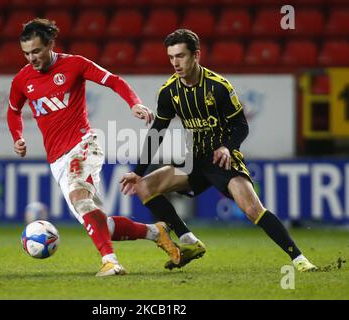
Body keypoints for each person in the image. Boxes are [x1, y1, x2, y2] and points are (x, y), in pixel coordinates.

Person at [120, 29, 317, 272]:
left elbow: (241, 126)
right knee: (144, 185)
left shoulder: (219, 87)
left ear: (196, 55)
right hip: (193, 161)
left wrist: (227, 147)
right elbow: (157, 132)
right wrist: (138, 172)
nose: (175, 63)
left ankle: (299, 259)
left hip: (222, 160)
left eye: (180, 56)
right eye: (171, 57)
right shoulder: (169, 92)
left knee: (252, 209)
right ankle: (188, 240)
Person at [7, 18, 182, 277]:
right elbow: (13, 112)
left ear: (50, 45)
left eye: (36, 51)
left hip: (83, 145)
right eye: (26, 53)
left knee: (80, 198)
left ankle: (110, 262)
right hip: (57, 161)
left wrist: (133, 103)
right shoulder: (22, 80)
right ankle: (156, 232)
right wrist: (17, 137)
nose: (31, 58)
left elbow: (113, 80)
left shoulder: (74, 64)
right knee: (99, 221)